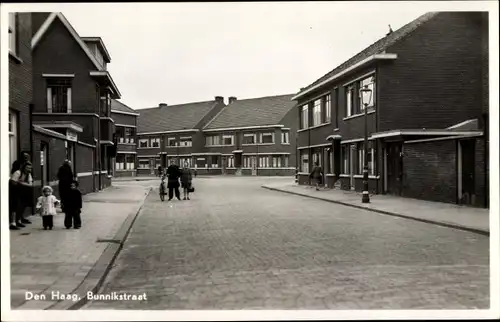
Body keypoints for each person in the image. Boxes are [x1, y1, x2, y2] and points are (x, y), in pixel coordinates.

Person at [10, 161, 34, 229]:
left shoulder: (29, 175)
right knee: (14, 207)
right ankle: (13, 223)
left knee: (22, 206)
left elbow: (30, 185)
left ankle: (19, 221)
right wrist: (23, 184)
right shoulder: (18, 172)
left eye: (30, 168)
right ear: (24, 167)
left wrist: (21, 183)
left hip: (23, 192)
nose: (29, 170)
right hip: (14, 192)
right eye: (27, 168)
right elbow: (13, 182)